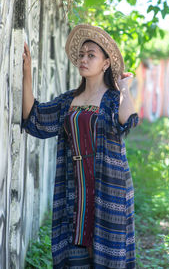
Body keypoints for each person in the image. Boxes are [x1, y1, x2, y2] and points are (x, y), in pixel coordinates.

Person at [22, 24, 139, 269]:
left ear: (106, 63)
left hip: (109, 188)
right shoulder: (68, 100)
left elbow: (128, 121)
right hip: (74, 189)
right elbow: (35, 119)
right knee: (75, 254)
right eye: (81, 55)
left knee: (108, 254)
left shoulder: (112, 99)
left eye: (91, 55)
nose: (83, 59)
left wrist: (124, 87)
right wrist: (27, 73)